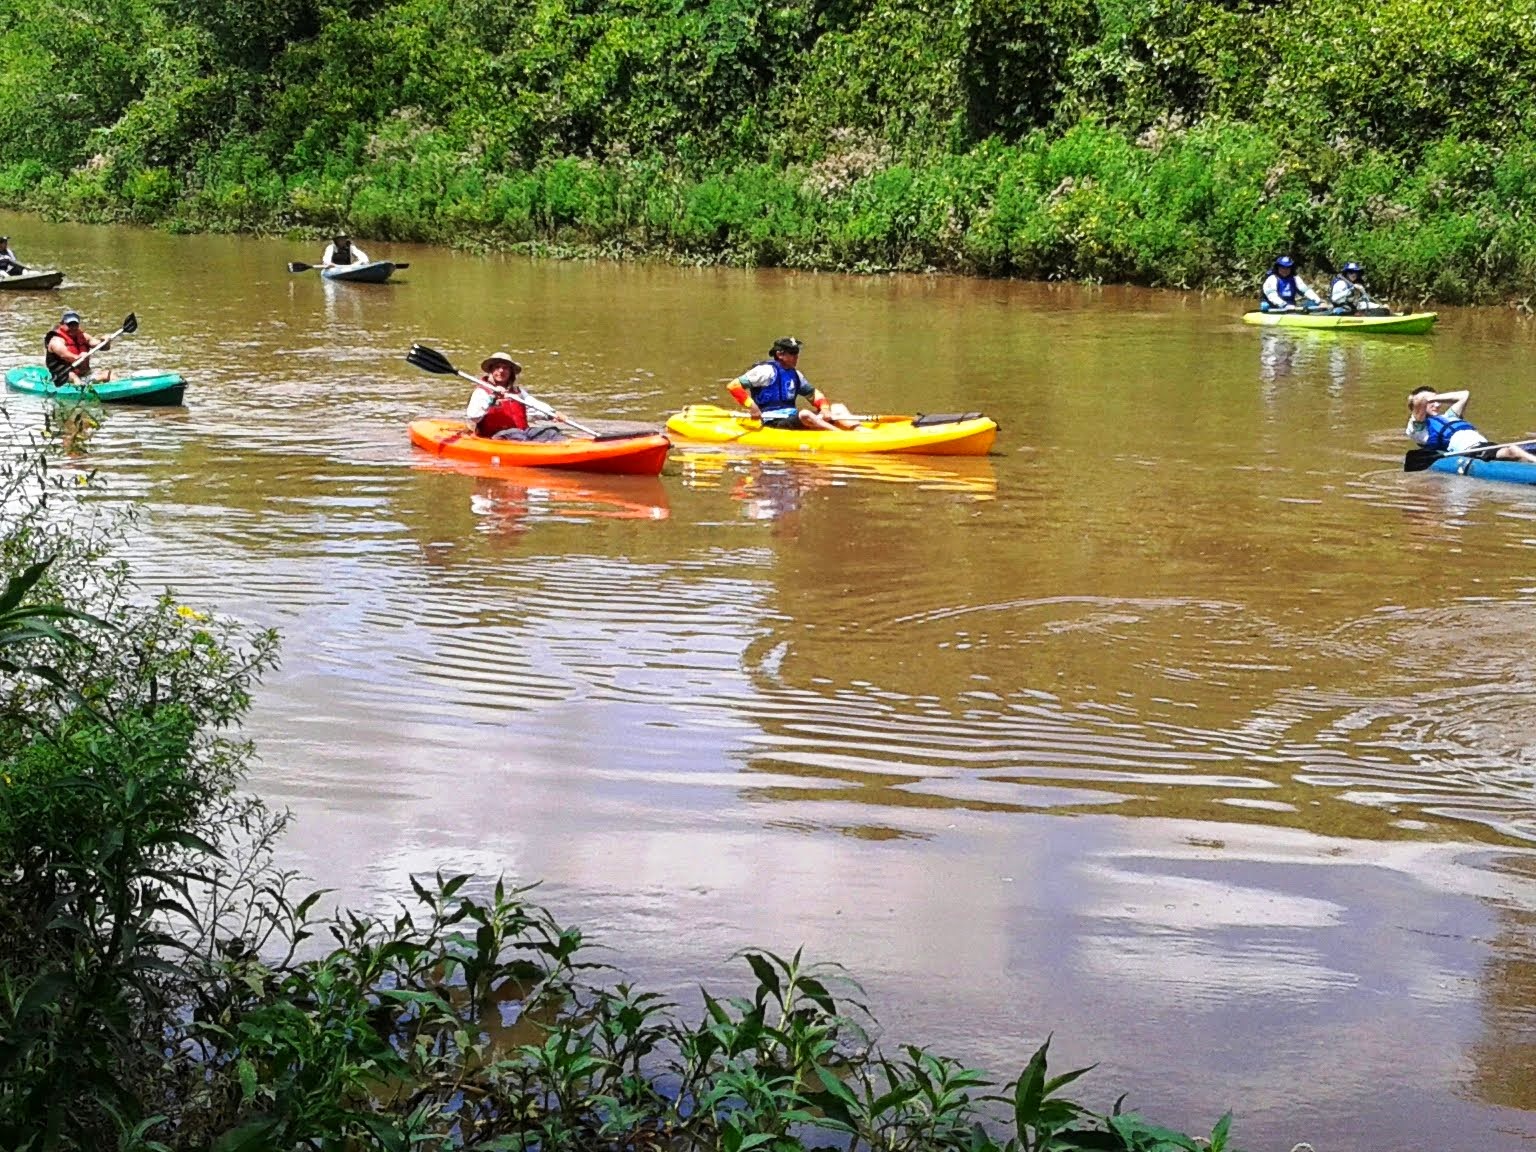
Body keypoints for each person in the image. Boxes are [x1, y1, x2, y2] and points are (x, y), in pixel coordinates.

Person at [727, 337, 858, 431]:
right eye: (792, 353)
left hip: (791, 418)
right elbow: (734, 386)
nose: (796, 357)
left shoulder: (795, 374)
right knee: (805, 414)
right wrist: (752, 407)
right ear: (780, 354)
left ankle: (860, 431)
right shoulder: (765, 371)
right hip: (773, 421)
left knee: (838, 407)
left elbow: (813, 394)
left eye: (797, 353)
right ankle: (839, 435)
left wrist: (824, 408)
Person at [1405, 387, 1536, 463]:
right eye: (1430, 402)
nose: (1437, 404)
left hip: (1486, 446)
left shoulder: (1449, 417)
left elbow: (1464, 395)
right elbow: (1417, 402)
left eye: (1437, 401)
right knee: (1512, 449)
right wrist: (1426, 398)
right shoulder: (1417, 427)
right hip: (1472, 451)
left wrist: (1434, 398)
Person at [464, 351, 564, 441]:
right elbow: (474, 416)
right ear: (491, 370)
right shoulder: (481, 392)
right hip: (495, 437)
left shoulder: (517, 392)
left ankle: (566, 453)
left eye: (505, 368)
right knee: (516, 435)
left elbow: (534, 405)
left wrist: (552, 413)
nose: (501, 371)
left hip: (521, 432)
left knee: (552, 432)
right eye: (497, 367)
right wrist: (493, 397)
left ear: (511, 372)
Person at [44, 310, 113, 385]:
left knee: (109, 374)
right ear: (61, 324)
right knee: (74, 377)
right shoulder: (56, 341)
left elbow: (103, 347)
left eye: (75, 324)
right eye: (69, 324)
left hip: (85, 375)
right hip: (63, 375)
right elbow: (65, 355)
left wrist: (105, 341)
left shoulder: (83, 336)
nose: (73, 327)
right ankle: (79, 392)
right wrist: (78, 357)